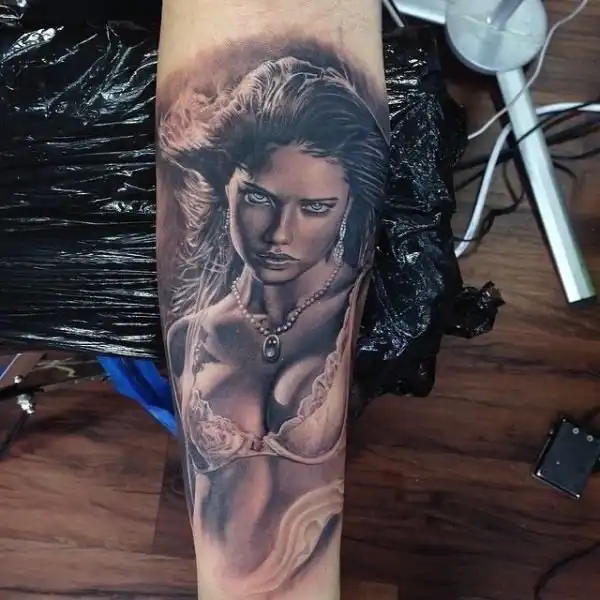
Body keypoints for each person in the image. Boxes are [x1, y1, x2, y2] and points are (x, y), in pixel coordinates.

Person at [156, 2, 389, 598]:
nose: (280, 235)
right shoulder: (193, 332)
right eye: (259, 198)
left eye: (315, 208)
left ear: (347, 209)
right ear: (226, 186)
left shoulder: (342, 308)